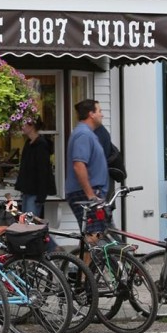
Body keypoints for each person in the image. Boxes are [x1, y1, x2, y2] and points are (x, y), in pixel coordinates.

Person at [66, 99, 109, 244]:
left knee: (97, 234)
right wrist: (90, 195)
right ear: (91, 114)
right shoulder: (83, 134)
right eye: (99, 111)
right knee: (93, 237)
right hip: (85, 193)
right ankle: (84, 267)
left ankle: (86, 266)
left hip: (92, 193)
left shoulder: (88, 133)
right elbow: (79, 165)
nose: (102, 115)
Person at [15, 117, 59, 250]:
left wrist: (41, 195)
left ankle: (52, 247)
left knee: (31, 223)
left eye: (24, 124)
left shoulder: (41, 145)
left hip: (35, 191)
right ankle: (40, 249)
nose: (22, 126)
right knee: (28, 223)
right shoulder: (29, 143)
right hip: (28, 190)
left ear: (32, 126)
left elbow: (43, 171)